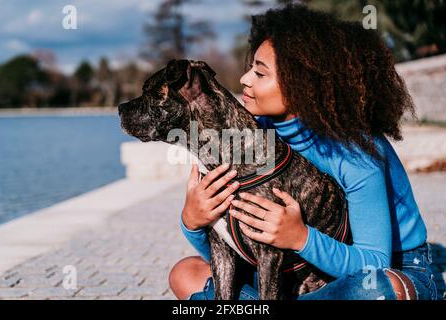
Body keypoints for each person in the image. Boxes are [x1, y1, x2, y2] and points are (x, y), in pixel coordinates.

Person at [168, 4, 439, 300]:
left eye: (260, 73)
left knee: (381, 290)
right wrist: (194, 221)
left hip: (388, 268)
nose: (245, 79)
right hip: (291, 270)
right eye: (250, 68)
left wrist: (300, 238)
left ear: (304, 84)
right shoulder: (253, 134)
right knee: (186, 273)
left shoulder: (358, 152)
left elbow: (374, 265)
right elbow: (236, 253)